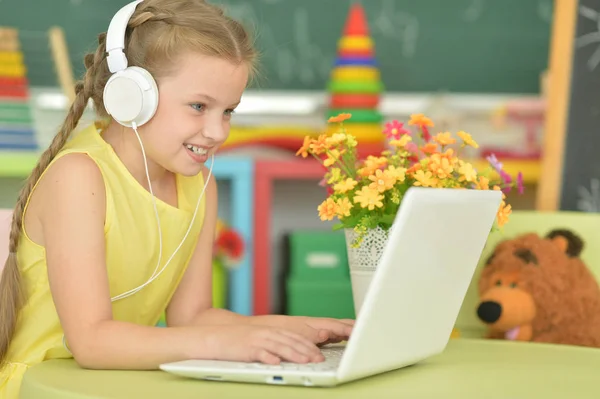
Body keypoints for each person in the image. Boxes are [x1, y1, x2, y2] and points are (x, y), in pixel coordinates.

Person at [0, 0, 353, 396]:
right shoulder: (79, 178)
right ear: (132, 96)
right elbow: (92, 341)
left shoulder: (199, 184)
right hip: (39, 388)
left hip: (106, 386)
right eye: (199, 106)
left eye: (228, 111)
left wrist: (296, 328)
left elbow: (193, 317)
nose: (218, 132)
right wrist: (221, 345)